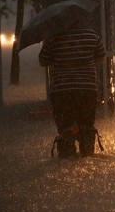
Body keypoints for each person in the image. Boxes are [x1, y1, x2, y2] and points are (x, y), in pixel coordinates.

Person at [39, 18, 106, 158]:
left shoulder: (53, 38)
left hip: (62, 91)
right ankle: (87, 155)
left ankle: (67, 156)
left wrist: (58, 58)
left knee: (65, 126)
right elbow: (101, 56)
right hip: (87, 89)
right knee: (86, 125)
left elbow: (43, 61)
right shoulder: (92, 36)